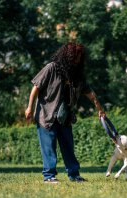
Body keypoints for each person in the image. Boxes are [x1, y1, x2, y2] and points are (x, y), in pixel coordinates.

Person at [25, 42, 106, 183]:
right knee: (49, 148)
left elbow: (90, 93)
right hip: (46, 115)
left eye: (80, 57)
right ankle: (49, 176)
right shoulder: (51, 68)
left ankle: (74, 175)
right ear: (67, 56)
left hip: (65, 117)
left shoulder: (77, 75)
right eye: (75, 56)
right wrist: (29, 108)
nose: (78, 60)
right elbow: (35, 87)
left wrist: (100, 109)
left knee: (68, 147)